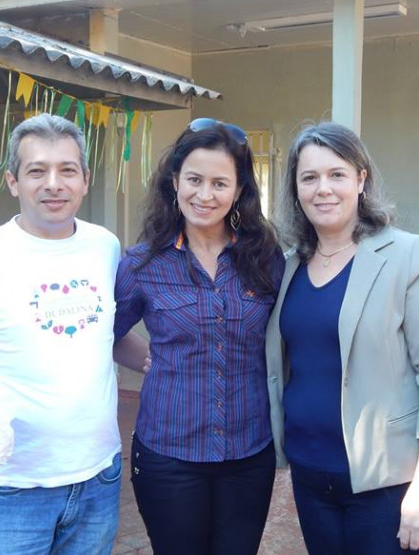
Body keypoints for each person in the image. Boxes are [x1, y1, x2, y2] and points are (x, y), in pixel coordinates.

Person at [0, 114, 144, 554]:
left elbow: (106, 334)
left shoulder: (105, 247)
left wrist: (163, 361)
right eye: (37, 170)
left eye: (67, 170)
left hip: (97, 477)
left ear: (85, 180)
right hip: (8, 485)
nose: (53, 183)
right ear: (13, 181)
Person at [265, 121, 419, 554]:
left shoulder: (407, 255)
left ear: (361, 179)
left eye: (337, 174)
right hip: (312, 474)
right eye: (309, 177)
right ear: (296, 189)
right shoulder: (288, 267)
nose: (324, 189)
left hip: (392, 483)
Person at [113, 118, 283, 554]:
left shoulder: (265, 257)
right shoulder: (142, 264)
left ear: (239, 190)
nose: (204, 195)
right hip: (169, 455)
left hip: (249, 451)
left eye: (219, 183)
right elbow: (102, 335)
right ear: (175, 181)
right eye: (194, 180)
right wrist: (146, 359)